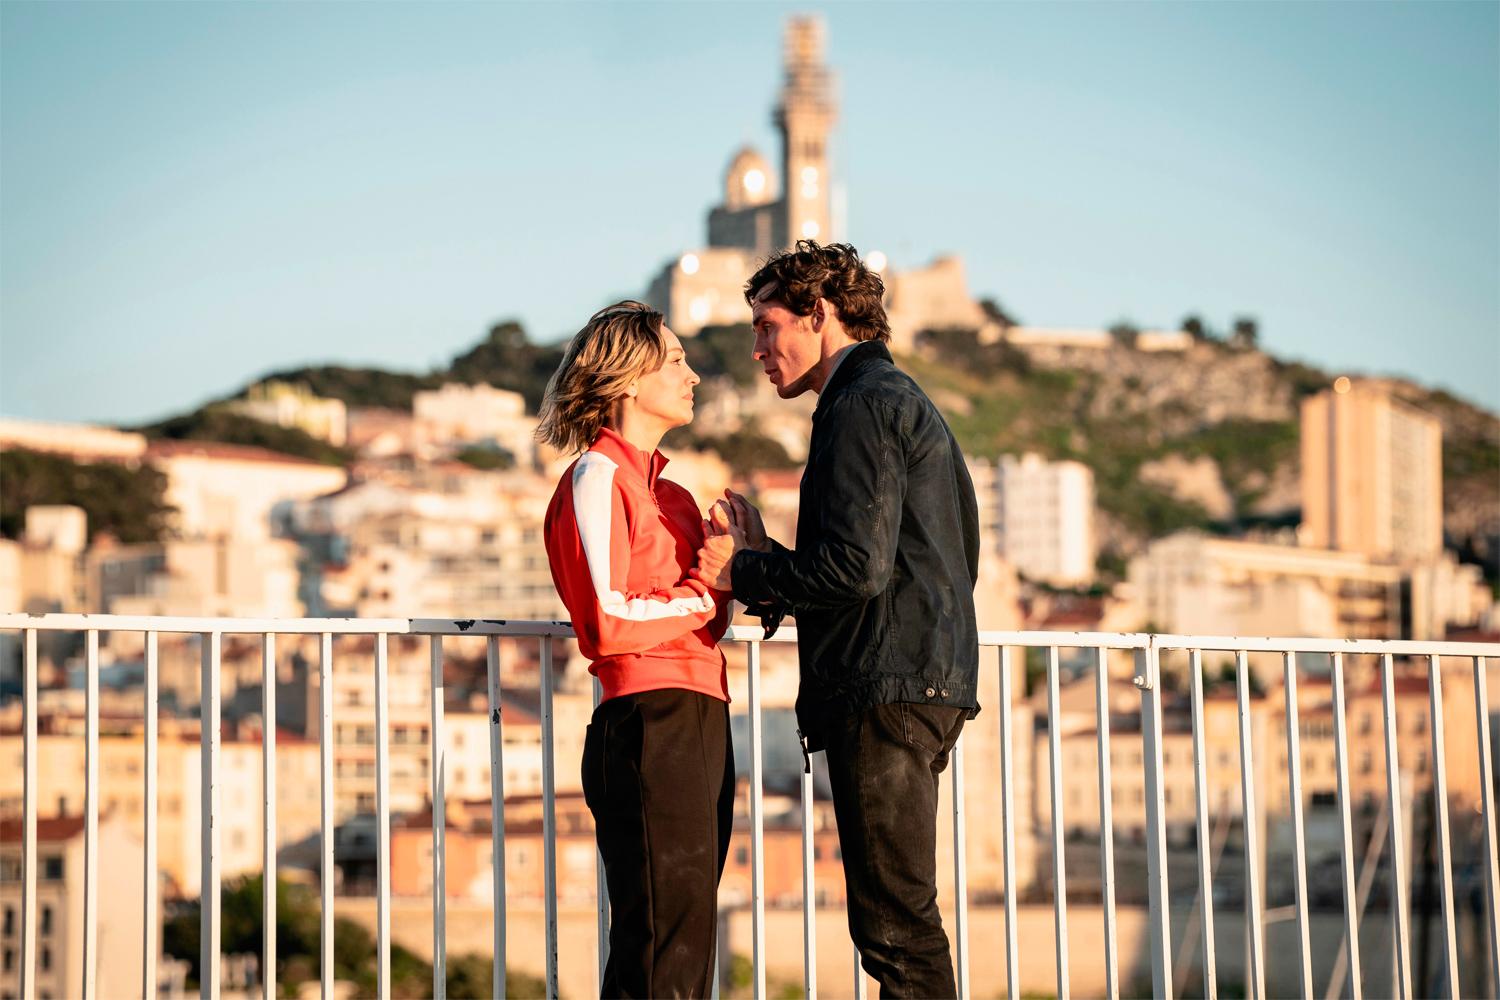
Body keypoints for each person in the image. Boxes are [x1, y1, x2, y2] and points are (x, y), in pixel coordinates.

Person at [697, 242, 981, 998]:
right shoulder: (901, 399)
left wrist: (739, 572)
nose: (757, 349)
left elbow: (855, 569)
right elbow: (939, 556)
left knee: (895, 932)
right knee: (900, 920)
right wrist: (767, 559)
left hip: (884, 691)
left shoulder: (859, 406)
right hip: (921, 682)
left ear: (818, 314)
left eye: (767, 326)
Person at [538, 300, 739, 999]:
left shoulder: (677, 496)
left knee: (685, 944)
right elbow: (605, 621)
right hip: (647, 721)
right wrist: (707, 590)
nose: (693, 375)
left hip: (703, 714)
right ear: (626, 378)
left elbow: (704, 619)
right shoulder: (595, 476)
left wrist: (739, 562)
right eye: (676, 360)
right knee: (659, 945)